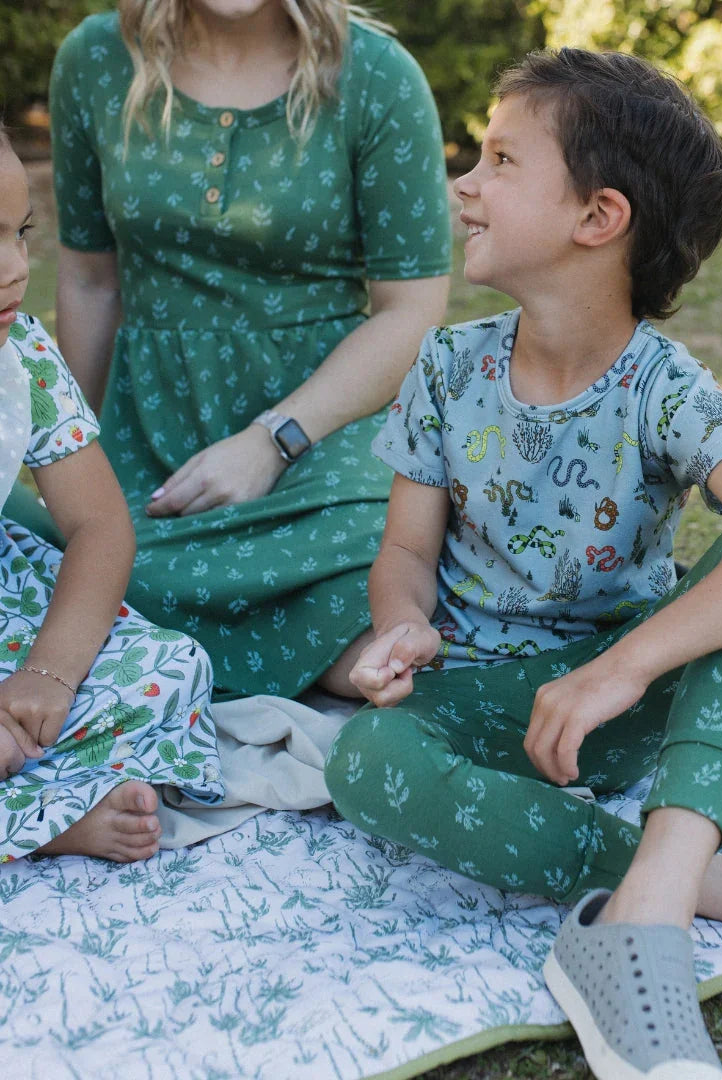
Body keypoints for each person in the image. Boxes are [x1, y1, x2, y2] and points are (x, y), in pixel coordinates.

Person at [323, 49, 722, 1080]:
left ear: (597, 217)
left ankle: (638, 926)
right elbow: (405, 548)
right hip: (486, 707)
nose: (463, 186)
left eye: (498, 160)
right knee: (362, 763)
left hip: (624, 709)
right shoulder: (445, 364)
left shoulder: (662, 388)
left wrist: (620, 668)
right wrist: (402, 622)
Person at [36, 0, 451, 700]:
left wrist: (272, 441)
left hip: (329, 431)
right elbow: (87, 280)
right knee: (56, 546)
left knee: (387, 549)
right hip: (150, 428)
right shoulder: (96, 60)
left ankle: (171, 641)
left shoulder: (379, 78)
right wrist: (66, 458)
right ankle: (314, 650)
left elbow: (411, 313)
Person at [0, 127, 223, 863]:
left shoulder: (25, 357)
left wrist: (48, 673)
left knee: (171, 667)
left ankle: (37, 797)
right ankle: (51, 818)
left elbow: (100, 526)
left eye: (21, 234)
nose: (14, 269)